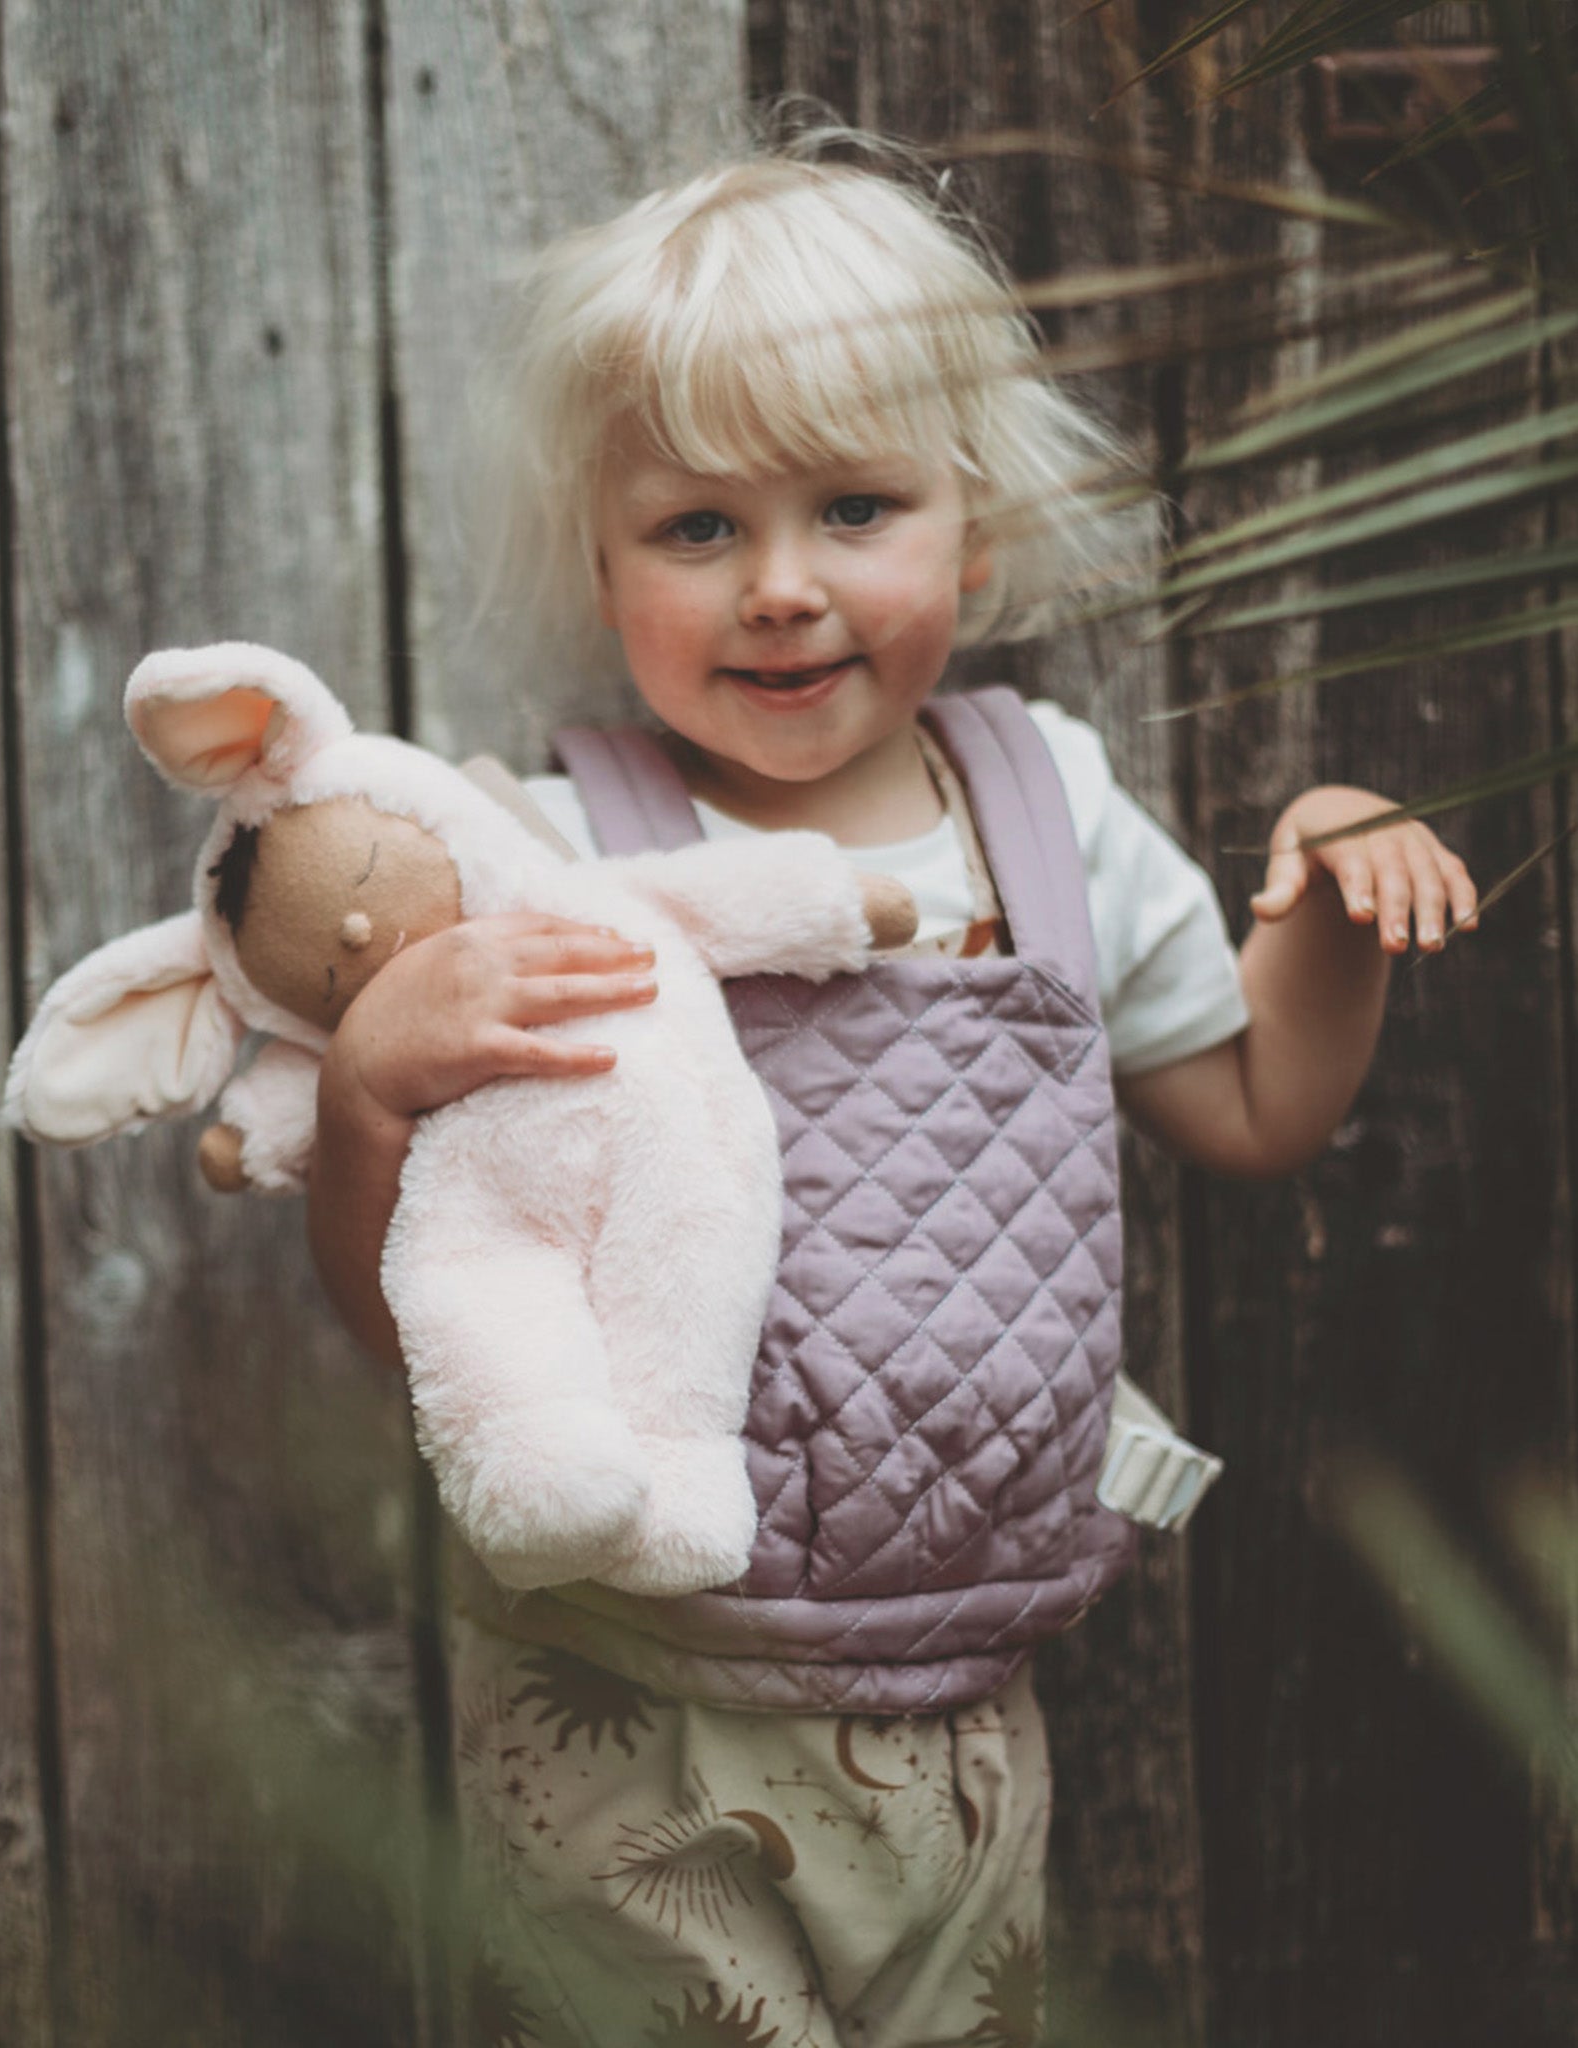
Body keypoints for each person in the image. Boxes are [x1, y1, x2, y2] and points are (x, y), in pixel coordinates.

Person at [307, 139, 1477, 2047]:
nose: (781, 589)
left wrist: (1334, 897)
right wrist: (369, 1091)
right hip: (625, 1702)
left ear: (974, 529)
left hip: (961, 1703)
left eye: (855, 507)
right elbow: (415, 1321)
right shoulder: (546, 865)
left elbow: (1258, 1114)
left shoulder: (1046, 817)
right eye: (698, 528)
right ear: (602, 561)